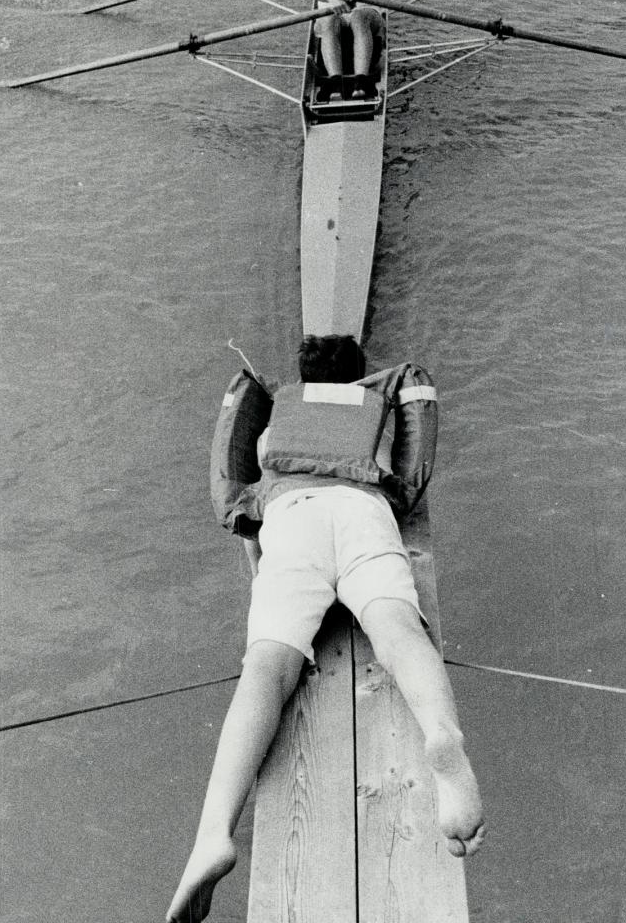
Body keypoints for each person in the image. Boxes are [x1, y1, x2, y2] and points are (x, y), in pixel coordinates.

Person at [165, 335, 486, 923]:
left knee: (268, 668)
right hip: (364, 513)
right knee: (399, 635)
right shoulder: (376, 413)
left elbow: (241, 491)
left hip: (294, 515)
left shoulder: (275, 423)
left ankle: (214, 832)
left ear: (301, 379)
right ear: (360, 380)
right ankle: (443, 736)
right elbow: (408, 476)